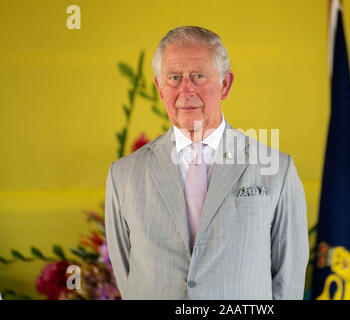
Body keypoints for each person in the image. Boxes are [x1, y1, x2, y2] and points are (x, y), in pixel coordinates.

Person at [105, 25, 309, 299]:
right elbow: (128, 279)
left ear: (225, 84)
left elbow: (289, 278)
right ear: (160, 88)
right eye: (174, 77)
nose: (185, 89)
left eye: (198, 76)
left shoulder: (278, 170)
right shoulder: (123, 176)